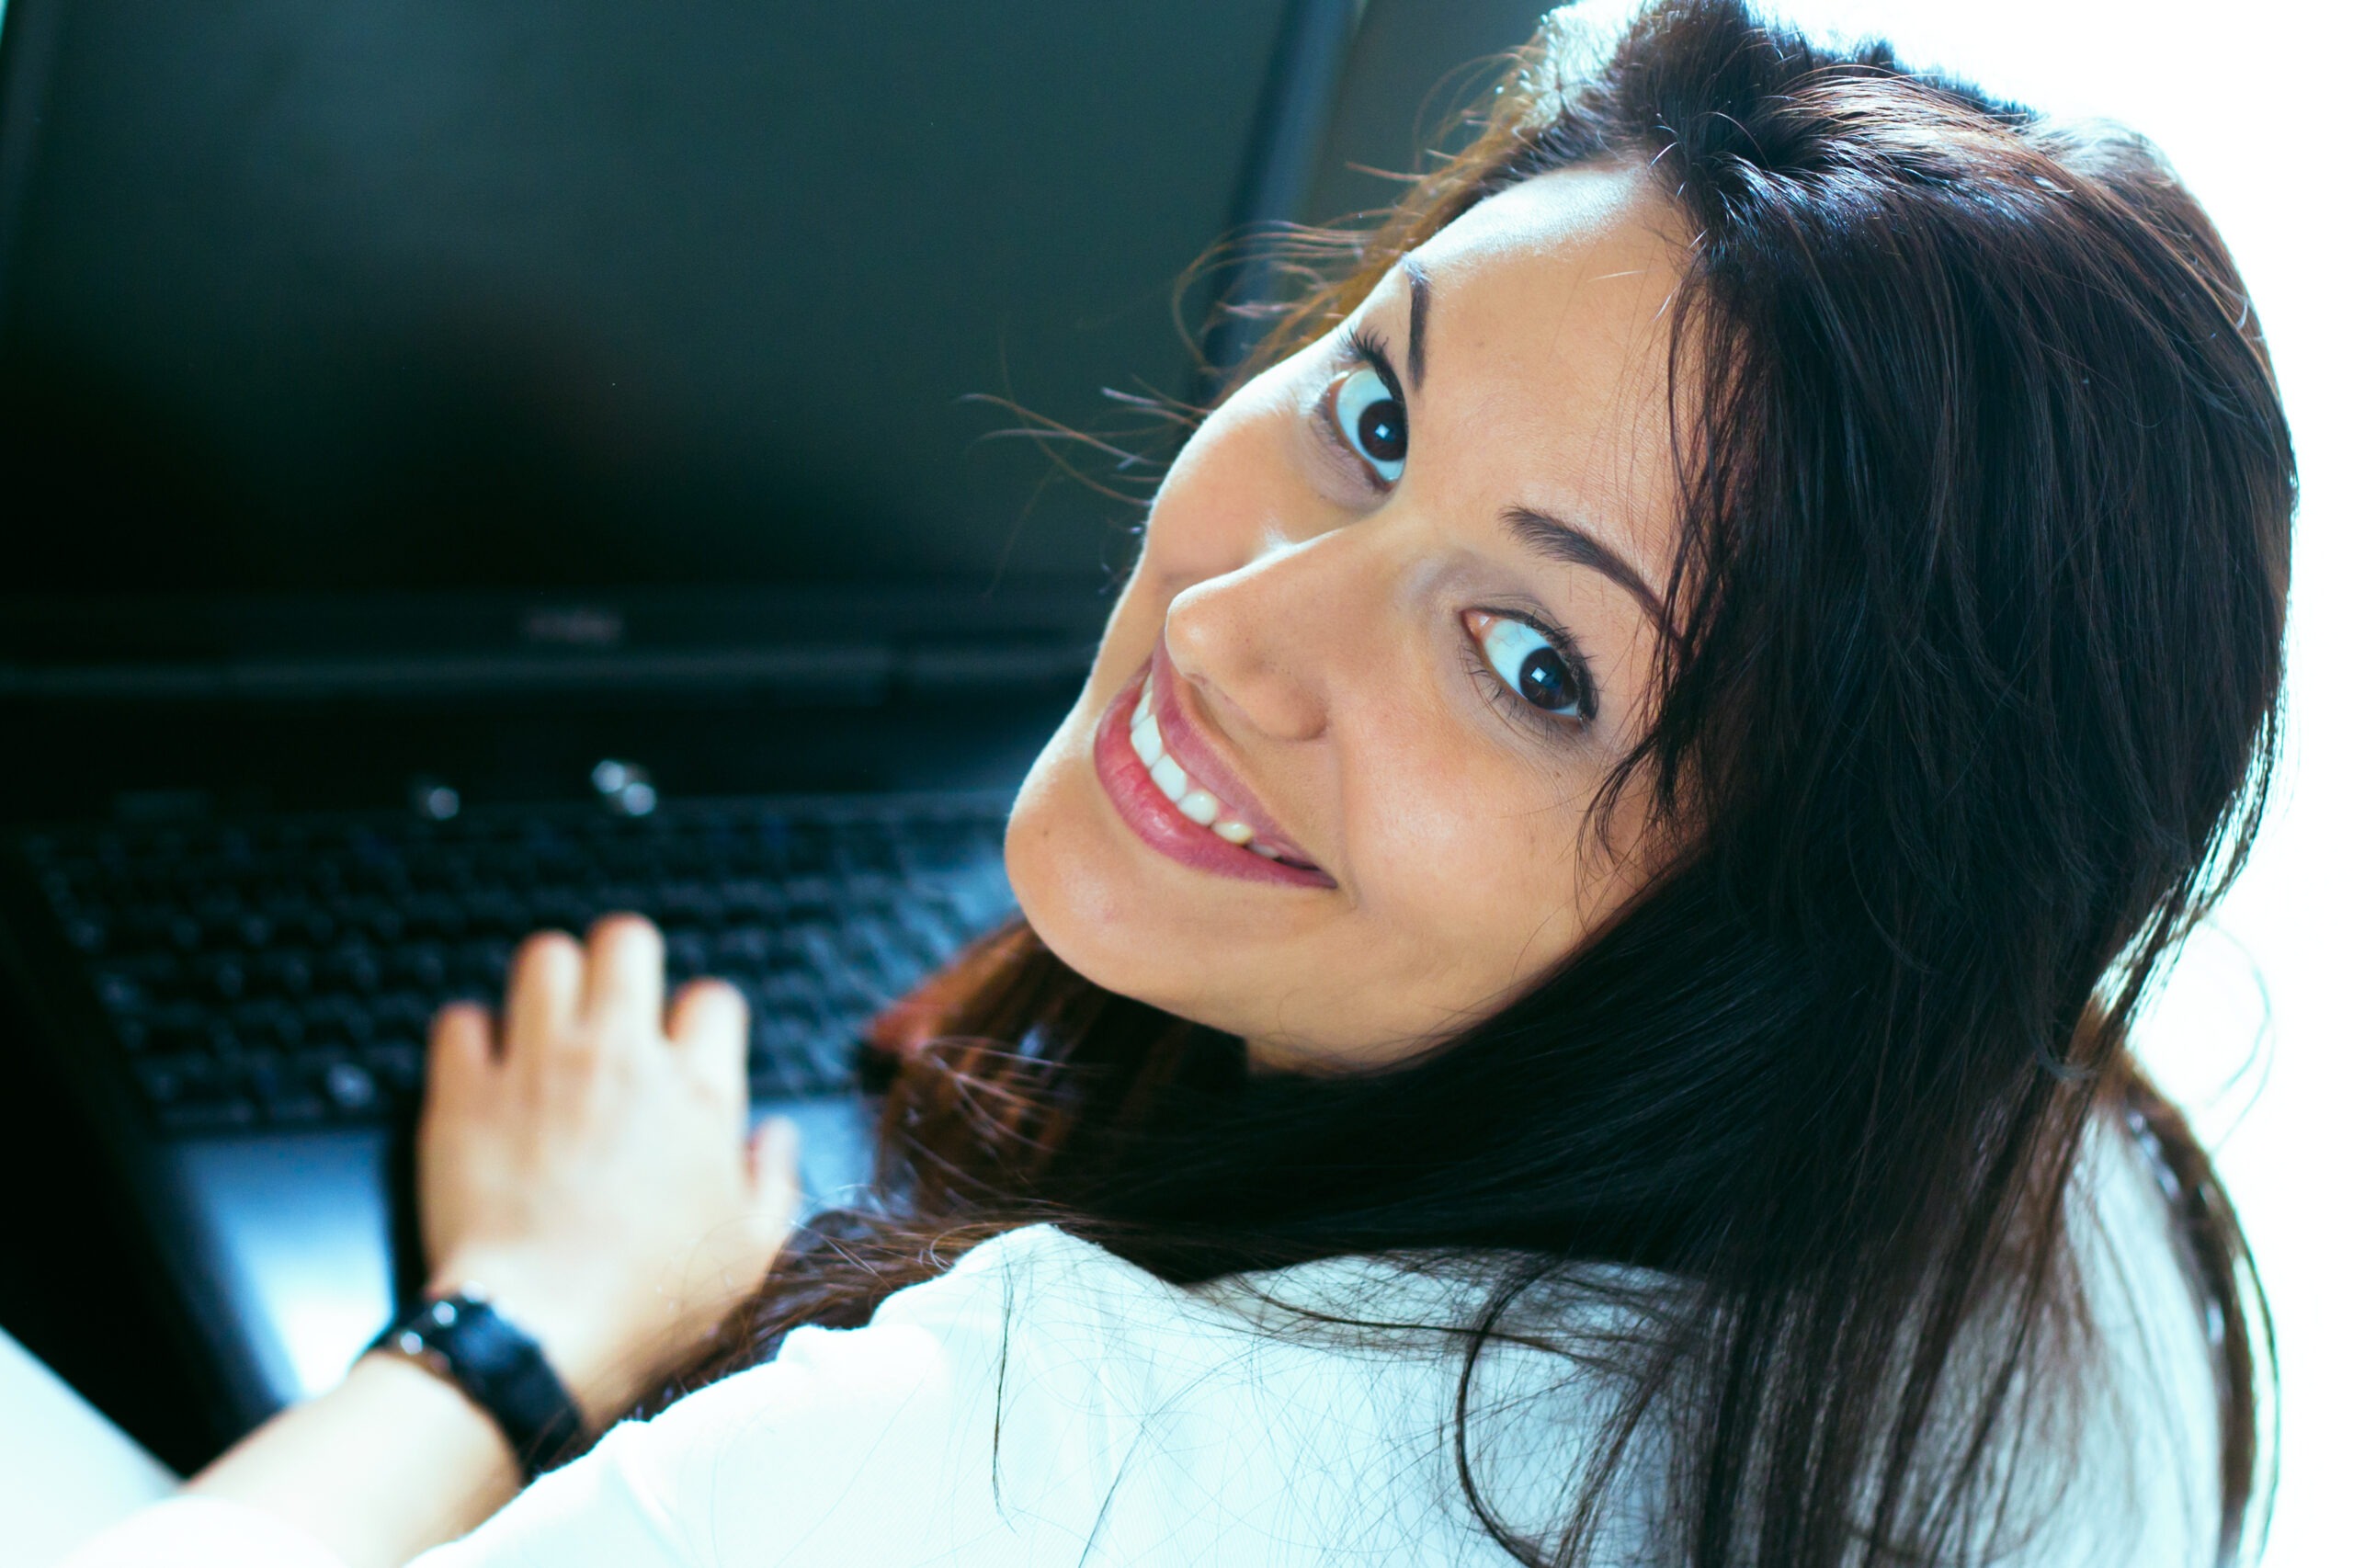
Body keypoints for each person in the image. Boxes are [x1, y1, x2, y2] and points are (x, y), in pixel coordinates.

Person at [59, 2, 2291, 1564]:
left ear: (1787, 920)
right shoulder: (2078, 1210)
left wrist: (528, 1322)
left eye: (1530, 663)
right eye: (1377, 420)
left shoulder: (1027, 1464)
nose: (1232, 626)